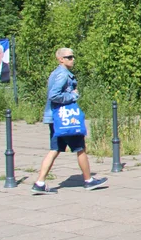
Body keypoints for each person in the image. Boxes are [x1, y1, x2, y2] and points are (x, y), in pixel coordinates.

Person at [31, 48, 107, 194]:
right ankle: (88, 180)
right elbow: (54, 95)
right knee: (80, 148)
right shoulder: (62, 75)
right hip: (64, 119)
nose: (73, 59)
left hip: (55, 118)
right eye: (69, 57)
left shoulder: (56, 73)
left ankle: (39, 182)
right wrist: (73, 96)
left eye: (73, 56)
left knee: (55, 149)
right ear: (61, 59)